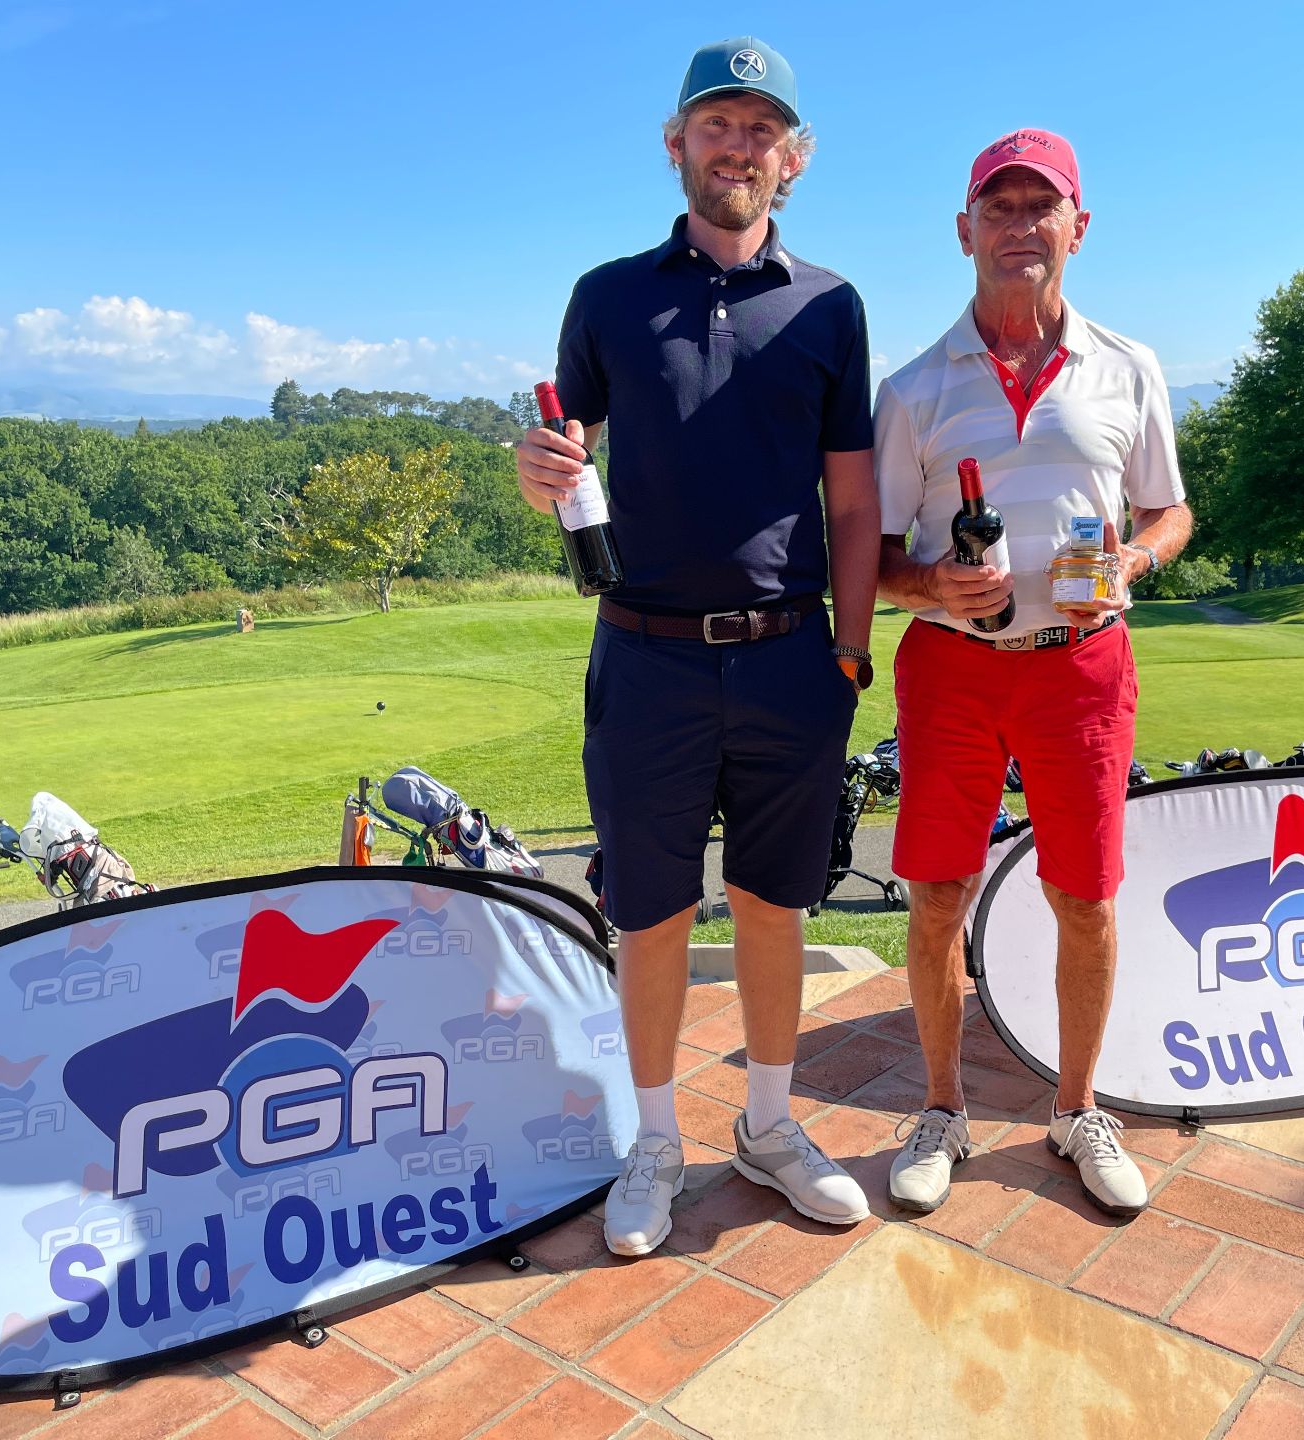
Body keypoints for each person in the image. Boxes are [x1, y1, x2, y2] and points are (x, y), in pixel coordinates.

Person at [515, 37, 881, 1256]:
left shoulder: (830, 305)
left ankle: (769, 1129)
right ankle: (658, 1142)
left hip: (791, 656)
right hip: (647, 656)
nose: (738, 146)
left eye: (760, 129)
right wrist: (536, 471)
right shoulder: (608, 296)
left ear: (793, 159)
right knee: (653, 914)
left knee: (774, 906)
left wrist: (850, 651)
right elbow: (566, 456)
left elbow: (851, 500)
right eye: (716, 124)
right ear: (677, 144)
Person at [873, 129, 1194, 1217]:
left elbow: (1169, 510)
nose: (1019, 226)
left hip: (1082, 668)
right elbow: (869, 558)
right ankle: (941, 1110)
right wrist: (930, 585)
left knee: (1085, 897)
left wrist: (1135, 562)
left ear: (1077, 227)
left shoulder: (1129, 366)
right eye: (998, 208)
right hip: (953, 669)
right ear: (964, 231)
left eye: (1040, 206)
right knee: (936, 895)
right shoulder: (913, 388)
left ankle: (1076, 1110)